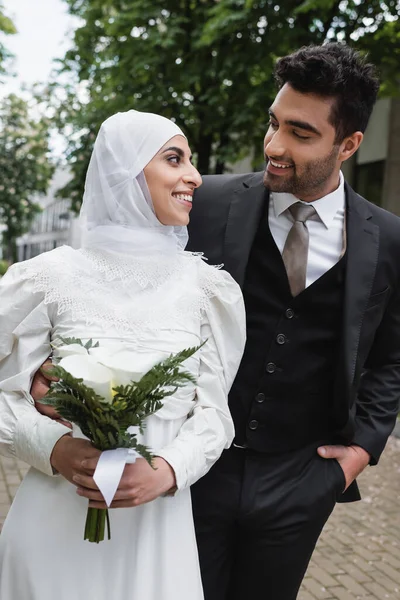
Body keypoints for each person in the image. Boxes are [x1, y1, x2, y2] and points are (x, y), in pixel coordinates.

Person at [0, 110, 246, 600]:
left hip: (157, 534)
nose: (194, 176)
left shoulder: (209, 290)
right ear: (125, 173)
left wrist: (170, 468)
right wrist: (54, 447)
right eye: (174, 159)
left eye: (191, 161)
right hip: (53, 525)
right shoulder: (45, 279)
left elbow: (215, 416)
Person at [185, 43, 400, 600]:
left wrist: (357, 454)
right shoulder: (205, 203)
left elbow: (390, 357)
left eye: (301, 135)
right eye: (273, 123)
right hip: (193, 469)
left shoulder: (389, 239)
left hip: (301, 479)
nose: (275, 146)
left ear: (348, 144)